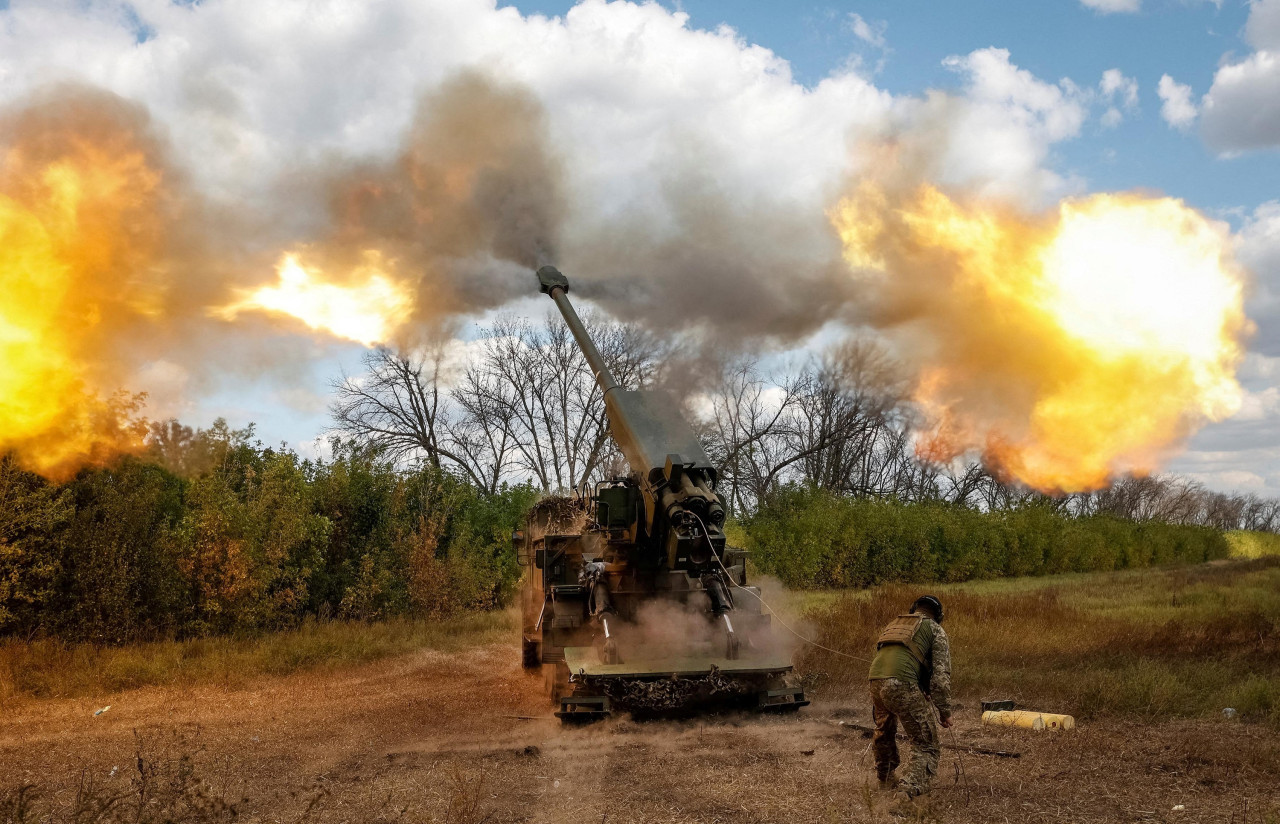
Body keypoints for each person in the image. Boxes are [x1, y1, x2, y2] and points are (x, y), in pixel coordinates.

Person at [867, 594, 952, 802]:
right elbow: (940, 678)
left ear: (914, 609)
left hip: (875, 681)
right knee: (926, 743)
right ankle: (906, 792)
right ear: (938, 615)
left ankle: (885, 779)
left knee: (884, 732)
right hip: (901, 683)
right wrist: (944, 711)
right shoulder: (935, 629)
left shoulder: (894, 624)